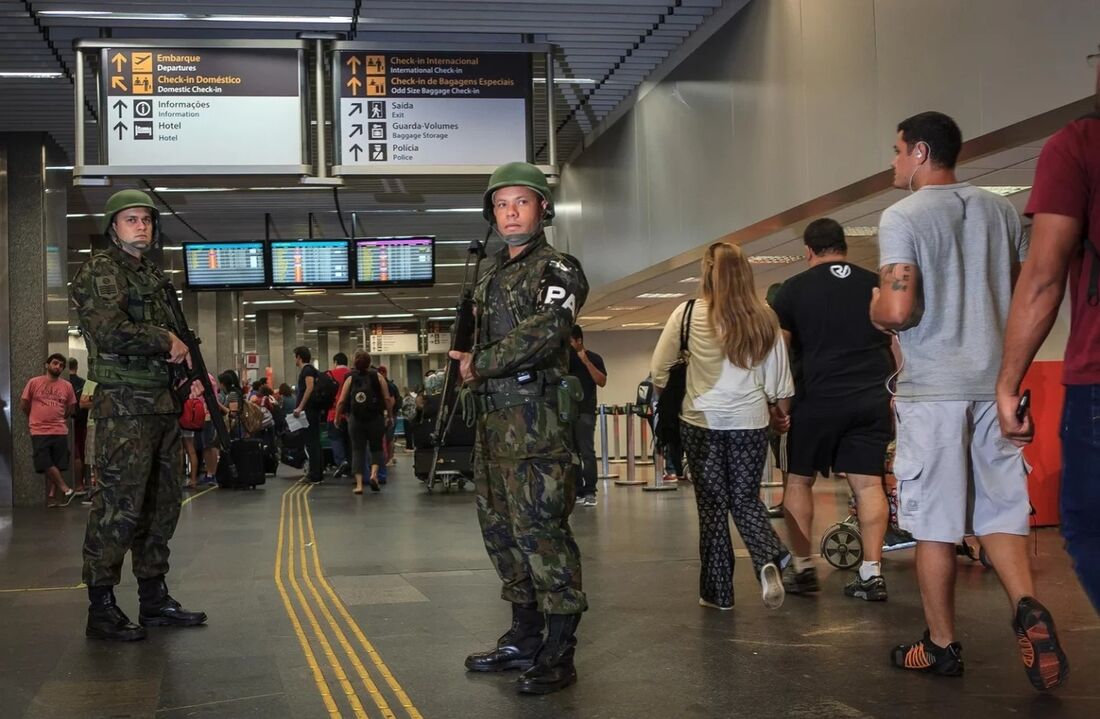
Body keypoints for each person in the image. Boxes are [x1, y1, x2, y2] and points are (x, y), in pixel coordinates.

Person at [871, 111, 1067, 689]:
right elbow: (1024, 281)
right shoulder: (999, 210)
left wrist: (877, 309)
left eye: (898, 150)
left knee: (934, 523)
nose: (894, 161)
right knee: (1001, 512)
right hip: (995, 386)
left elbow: (899, 309)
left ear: (921, 152)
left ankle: (939, 645)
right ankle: (1027, 606)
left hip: (933, 391)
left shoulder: (902, 215)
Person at [448, 161, 589, 694]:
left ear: (542, 208)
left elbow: (548, 327)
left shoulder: (559, 269)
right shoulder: (489, 277)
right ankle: (524, 636)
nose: (510, 212)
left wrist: (479, 362)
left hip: (535, 428)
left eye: (521, 202)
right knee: (502, 535)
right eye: (501, 204)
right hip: (491, 428)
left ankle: (559, 652)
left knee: (542, 535)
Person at [70, 189, 206, 642]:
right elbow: (108, 331)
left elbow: (176, 335)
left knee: (161, 505)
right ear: (113, 225)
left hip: (161, 404)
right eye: (131, 219)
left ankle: (154, 597)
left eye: (146, 219)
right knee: (118, 508)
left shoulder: (150, 274)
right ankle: (101, 606)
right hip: (124, 406)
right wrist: (165, 340)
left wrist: (190, 376)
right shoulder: (101, 271)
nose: (141, 226)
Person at [998, 49, 1100, 615]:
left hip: (1098, 374)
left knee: (1090, 529)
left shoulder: (1079, 144)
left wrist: (1009, 384)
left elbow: (1043, 278)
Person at [651, 242, 794, 613]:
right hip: (750, 424)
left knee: (713, 507)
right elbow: (779, 384)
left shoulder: (686, 314)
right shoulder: (765, 318)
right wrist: (779, 414)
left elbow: (659, 371)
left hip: (701, 422)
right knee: (745, 499)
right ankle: (768, 556)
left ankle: (719, 593)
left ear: (707, 272)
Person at [771, 217, 895, 601]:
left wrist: (779, 406)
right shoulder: (874, 283)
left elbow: (782, 354)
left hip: (816, 400)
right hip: (869, 397)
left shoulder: (792, 291)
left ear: (808, 250)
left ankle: (804, 567)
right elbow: (894, 342)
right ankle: (871, 573)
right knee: (868, 484)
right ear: (844, 245)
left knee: (799, 481)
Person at [21, 354, 78, 507]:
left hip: (59, 430)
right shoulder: (34, 382)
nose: (58, 367)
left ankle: (52, 496)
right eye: (55, 363)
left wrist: (59, 418)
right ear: (47, 364)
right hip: (39, 430)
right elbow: (24, 404)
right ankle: (65, 489)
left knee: (56, 464)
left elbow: (71, 407)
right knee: (44, 461)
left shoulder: (67, 386)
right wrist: (35, 417)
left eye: (61, 365)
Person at [335, 350, 391, 494]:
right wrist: (389, 415)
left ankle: (359, 485)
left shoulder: (350, 378)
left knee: (357, 450)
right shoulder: (378, 376)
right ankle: (374, 475)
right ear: (369, 362)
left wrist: (337, 417)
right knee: (376, 448)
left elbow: (341, 401)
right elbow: (387, 399)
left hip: (355, 419)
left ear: (354, 362)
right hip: (375, 418)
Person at [567, 325, 607, 506]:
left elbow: (601, 381)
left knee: (586, 452)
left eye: (570, 342)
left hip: (585, 411)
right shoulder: (564, 360)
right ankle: (577, 489)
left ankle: (590, 490)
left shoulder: (594, 358)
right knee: (571, 453)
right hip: (567, 413)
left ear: (579, 341)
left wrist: (586, 362)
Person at [292, 346, 324, 484]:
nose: (294, 359)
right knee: (312, 442)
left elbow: (309, 388)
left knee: (312, 443)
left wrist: (300, 407)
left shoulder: (307, 370)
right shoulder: (309, 370)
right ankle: (316, 472)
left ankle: (315, 474)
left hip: (309, 412)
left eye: (295, 356)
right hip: (310, 411)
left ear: (299, 356)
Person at [66, 357, 89, 495]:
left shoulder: (63, 383)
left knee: (75, 454)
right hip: (83, 421)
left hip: (67, 421)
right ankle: (82, 484)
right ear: (77, 366)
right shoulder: (83, 383)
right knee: (82, 453)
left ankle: (74, 484)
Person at [327, 353, 352, 477]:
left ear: (335, 362)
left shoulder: (329, 374)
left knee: (336, 439)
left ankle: (341, 463)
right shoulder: (353, 374)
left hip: (333, 413)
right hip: (350, 414)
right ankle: (352, 465)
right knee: (350, 441)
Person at [376, 365, 400, 484]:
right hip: (390, 414)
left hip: (391, 414)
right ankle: (389, 457)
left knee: (389, 436)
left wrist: (388, 414)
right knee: (387, 437)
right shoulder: (386, 384)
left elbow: (391, 401)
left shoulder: (388, 385)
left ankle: (390, 457)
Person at [80, 378, 99, 504]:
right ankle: (97, 491)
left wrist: (92, 398)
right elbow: (82, 403)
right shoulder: (90, 381)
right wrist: (97, 398)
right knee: (94, 460)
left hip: (116, 424)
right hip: (94, 423)